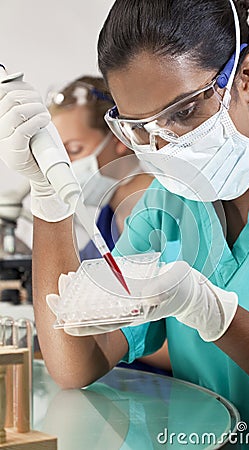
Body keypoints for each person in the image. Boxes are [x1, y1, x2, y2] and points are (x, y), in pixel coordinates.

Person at [0, 0, 249, 446]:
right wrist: (49, 197)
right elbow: (76, 363)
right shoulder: (164, 207)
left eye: (184, 112)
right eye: (141, 128)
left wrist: (215, 314)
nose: (167, 145)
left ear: (246, 78)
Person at [47, 75, 172, 375]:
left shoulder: (157, 209)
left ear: (118, 140)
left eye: (74, 151)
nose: (65, 168)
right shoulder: (105, 217)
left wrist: (107, 335)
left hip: (165, 398)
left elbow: (182, 345)